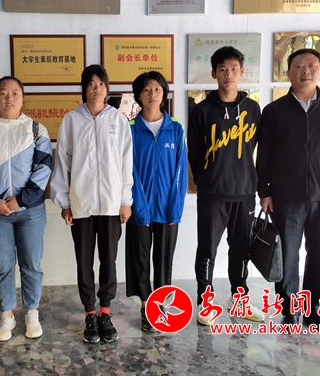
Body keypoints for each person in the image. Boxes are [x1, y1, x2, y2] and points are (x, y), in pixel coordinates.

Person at [257, 48, 320, 334]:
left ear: (319, 71)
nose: (305, 71)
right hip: (285, 198)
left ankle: (314, 312)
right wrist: (264, 192)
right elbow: (263, 156)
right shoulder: (274, 111)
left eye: (312, 65)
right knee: (287, 257)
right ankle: (290, 312)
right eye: (299, 66)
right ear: (288, 73)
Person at [50, 64, 133, 344]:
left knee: (108, 260)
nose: (96, 88)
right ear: (84, 89)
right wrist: (64, 202)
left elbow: (126, 163)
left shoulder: (118, 120)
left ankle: (105, 312)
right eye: (91, 83)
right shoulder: (72, 120)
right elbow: (62, 162)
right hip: (81, 204)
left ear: (107, 89)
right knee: (84, 260)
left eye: (101, 83)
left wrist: (125, 200)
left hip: (111, 205)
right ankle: (89, 313)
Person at [0, 76, 52, 341]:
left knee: (31, 264)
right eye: (3, 93)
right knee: (3, 265)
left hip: (30, 211)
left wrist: (21, 199)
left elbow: (44, 168)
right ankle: (7, 315)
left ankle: (32, 312)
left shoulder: (36, 130)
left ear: (23, 99)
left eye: (15, 93)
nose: (9, 98)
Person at [187, 46, 265, 326]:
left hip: (245, 193)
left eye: (233, 69)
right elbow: (194, 153)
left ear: (242, 72)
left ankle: (239, 299)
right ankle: (205, 302)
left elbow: (260, 151)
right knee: (207, 249)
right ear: (213, 73)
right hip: (212, 194)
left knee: (242, 250)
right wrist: (206, 181)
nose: (228, 74)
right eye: (222, 69)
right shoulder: (201, 111)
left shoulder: (253, 109)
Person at [126, 71, 187, 332]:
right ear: (138, 95)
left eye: (157, 89)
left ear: (164, 94)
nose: (152, 94)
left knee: (164, 261)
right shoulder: (130, 130)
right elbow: (128, 171)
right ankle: (145, 306)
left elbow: (180, 171)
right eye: (146, 89)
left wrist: (175, 208)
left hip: (167, 209)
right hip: (138, 208)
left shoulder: (175, 129)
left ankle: (160, 305)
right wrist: (136, 206)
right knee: (140, 260)